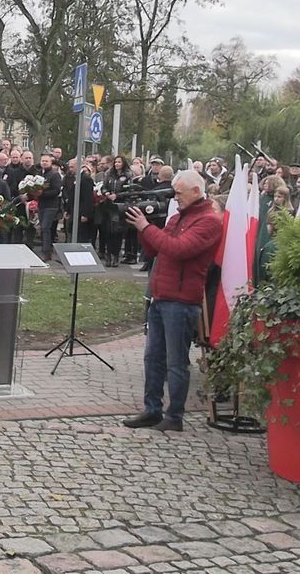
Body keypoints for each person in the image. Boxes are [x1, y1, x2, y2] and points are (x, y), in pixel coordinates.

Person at [122, 170, 222, 432]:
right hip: (161, 296)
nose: (174, 198)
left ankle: (174, 416)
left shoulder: (209, 222)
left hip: (181, 301)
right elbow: (154, 249)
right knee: (152, 358)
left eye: (179, 193)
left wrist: (147, 227)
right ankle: (152, 410)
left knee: (176, 362)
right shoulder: (177, 218)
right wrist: (142, 228)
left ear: (196, 192)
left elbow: (178, 250)